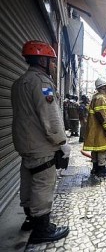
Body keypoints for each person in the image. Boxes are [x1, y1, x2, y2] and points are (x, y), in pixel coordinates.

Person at [11, 40, 70, 244]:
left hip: (25, 144)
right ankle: (42, 230)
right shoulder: (42, 83)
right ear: (43, 60)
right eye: (52, 62)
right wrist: (62, 143)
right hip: (41, 146)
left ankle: (31, 219)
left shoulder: (19, 83)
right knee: (43, 184)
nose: (54, 66)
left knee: (28, 180)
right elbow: (51, 118)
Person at [83, 77, 106, 177]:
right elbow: (102, 114)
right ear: (104, 87)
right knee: (102, 149)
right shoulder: (101, 98)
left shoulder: (96, 97)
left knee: (96, 149)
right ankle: (102, 170)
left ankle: (95, 168)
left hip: (95, 128)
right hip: (100, 129)